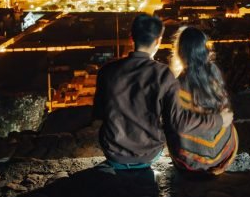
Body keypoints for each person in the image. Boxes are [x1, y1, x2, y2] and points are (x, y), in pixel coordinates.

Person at [92, 14, 233, 171]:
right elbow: (178, 123)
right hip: (148, 154)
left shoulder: (107, 71)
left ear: (131, 38)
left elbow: (98, 113)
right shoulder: (163, 74)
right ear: (158, 41)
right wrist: (219, 120)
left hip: (113, 153)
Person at [166, 26, 238, 175]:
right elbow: (225, 111)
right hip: (222, 155)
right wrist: (218, 120)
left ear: (180, 53)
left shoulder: (176, 85)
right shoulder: (214, 72)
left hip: (190, 162)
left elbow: (179, 125)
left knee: (168, 121)